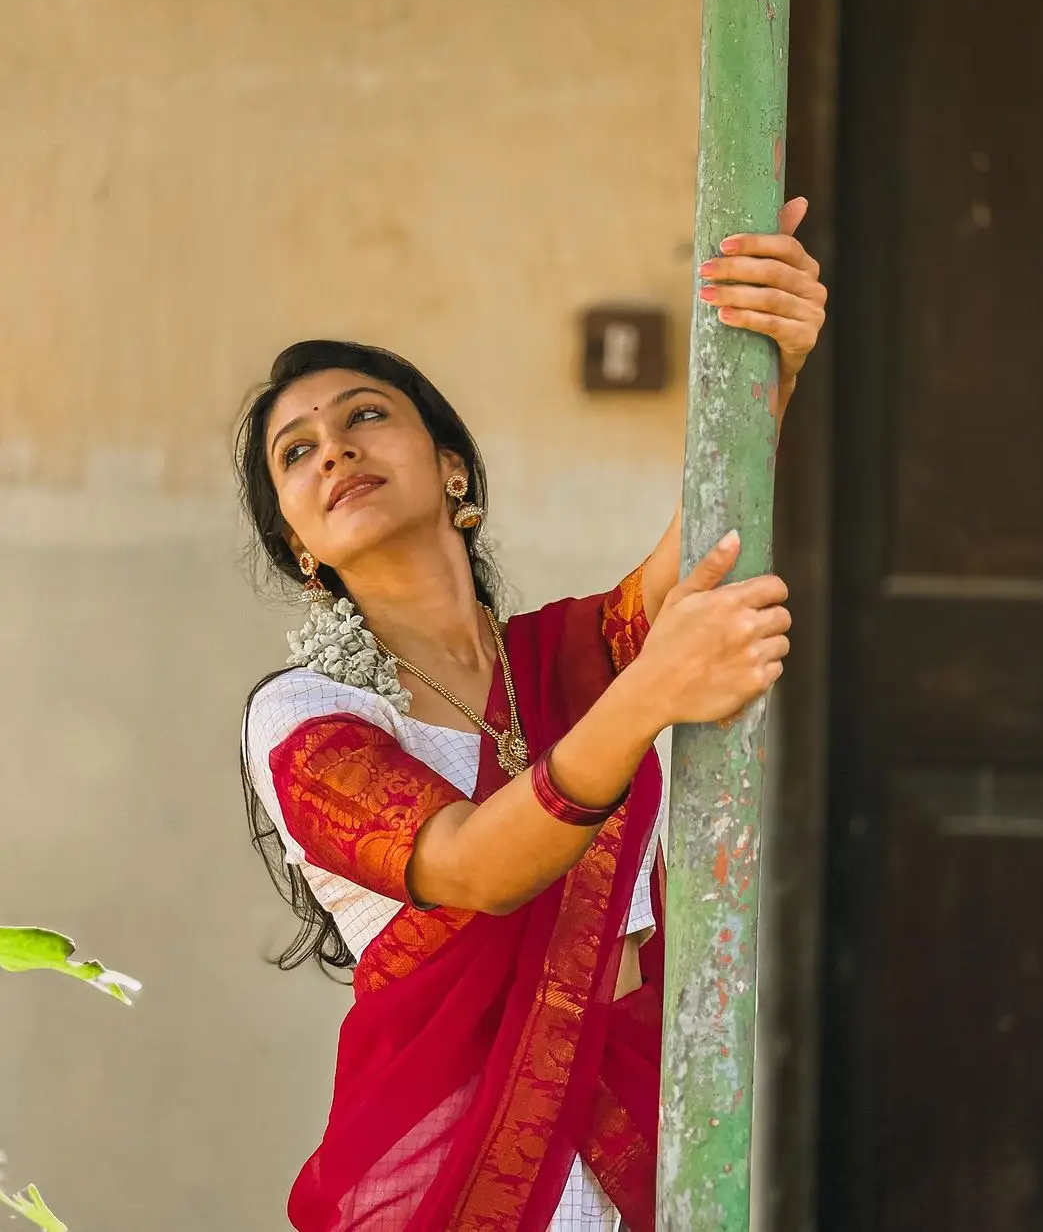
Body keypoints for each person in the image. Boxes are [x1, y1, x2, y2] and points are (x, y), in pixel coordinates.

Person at [237, 200, 826, 1232]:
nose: (333, 449)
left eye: (366, 414)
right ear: (301, 550)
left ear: (452, 468)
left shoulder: (568, 657)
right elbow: (473, 866)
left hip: (640, 1145)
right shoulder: (307, 718)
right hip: (446, 1180)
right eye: (296, 452)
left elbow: (706, 550)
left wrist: (770, 361)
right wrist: (650, 695)